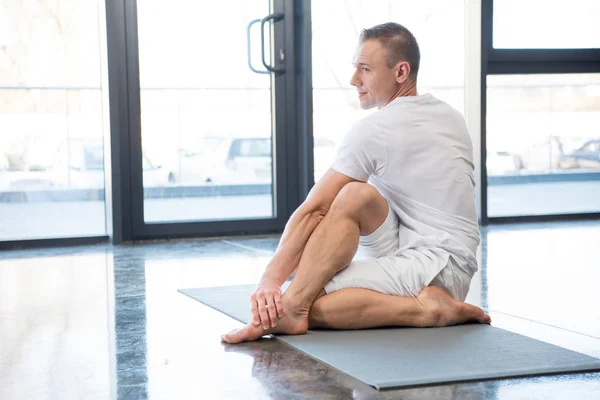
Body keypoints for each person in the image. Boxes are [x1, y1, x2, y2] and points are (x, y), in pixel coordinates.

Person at [222, 22, 490, 344]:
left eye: (364, 69)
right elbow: (332, 206)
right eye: (355, 68)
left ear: (401, 72)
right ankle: (298, 307)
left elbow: (315, 209)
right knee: (354, 195)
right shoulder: (448, 114)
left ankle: (428, 310)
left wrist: (270, 281)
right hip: (437, 251)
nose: (354, 80)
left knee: (305, 299)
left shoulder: (375, 130)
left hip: (438, 268)